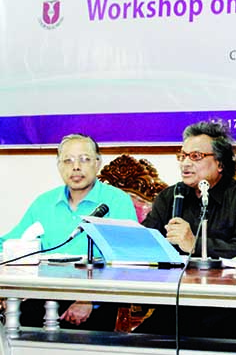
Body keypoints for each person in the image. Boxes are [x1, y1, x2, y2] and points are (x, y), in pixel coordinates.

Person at [135, 120, 236, 339]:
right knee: (137, 347)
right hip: (179, 303)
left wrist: (195, 244)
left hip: (231, 305)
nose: (185, 164)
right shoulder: (171, 196)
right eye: (183, 156)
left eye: (195, 156)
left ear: (220, 163)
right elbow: (146, 243)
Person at [0, 133, 138, 330]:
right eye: (68, 160)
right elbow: (10, 243)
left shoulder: (116, 202)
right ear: (59, 166)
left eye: (84, 159)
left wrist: (89, 299)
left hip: (97, 295)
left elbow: (128, 260)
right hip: (46, 293)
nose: (76, 167)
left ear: (98, 163)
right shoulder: (44, 203)